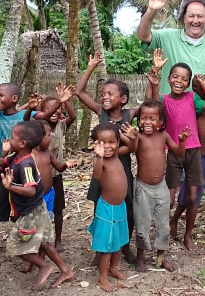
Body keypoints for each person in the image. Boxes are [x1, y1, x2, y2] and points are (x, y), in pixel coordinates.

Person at [0, 120, 75, 289]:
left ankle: (44, 265)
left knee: (15, 246)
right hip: (38, 207)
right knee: (45, 243)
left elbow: (31, 190)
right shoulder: (18, 156)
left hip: (30, 211)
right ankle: (65, 270)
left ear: (23, 143)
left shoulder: (26, 164)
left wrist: (11, 186)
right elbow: (4, 162)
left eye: (12, 137)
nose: (9, 140)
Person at [0, 83, 72, 254]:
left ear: (14, 98)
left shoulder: (28, 118)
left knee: (26, 209)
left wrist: (60, 102)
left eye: (0, 95)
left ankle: (30, 245)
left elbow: (44, 117)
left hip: (24, 169)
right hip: (5, 167)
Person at [146, 52, 205, 251]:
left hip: (194, 151)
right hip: (174, 152)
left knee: (194, 197)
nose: (179, 80)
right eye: (175, 77)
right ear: (169, 79)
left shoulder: (191, 97)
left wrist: (204, 85)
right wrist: (154, 80)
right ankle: (164, 231)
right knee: (169, 199)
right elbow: (149, 104)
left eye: (184, 78)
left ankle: (188, 235)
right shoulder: (163, 100)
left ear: (188, 83)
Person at [77, 51, 139, 263]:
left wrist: (121, 148)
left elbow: (152, 101)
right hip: (102, 172)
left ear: (123, 99)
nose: (104, 96)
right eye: (103, 93)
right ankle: (100, 249)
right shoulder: (100, 112)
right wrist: (91, 67)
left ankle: (124, 247)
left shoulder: (129, 115)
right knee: (99, 211)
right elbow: (79, 92)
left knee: (128, 210)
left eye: (110, 94)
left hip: (122, 173)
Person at [171, 44, 205, 242]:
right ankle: (176, 220)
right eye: (198, 84)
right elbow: (204, 83)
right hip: (198, 157)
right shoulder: (194, 102)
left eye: (204, 83)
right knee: (189, 197)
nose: (202, 84)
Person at [133, 99, 190, 272]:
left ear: (161, 122)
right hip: (143, 188)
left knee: (163, 225)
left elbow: (179, 154)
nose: (147, 122)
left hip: (161, 187)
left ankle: (160, 258)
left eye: (152, 118)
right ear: (139, 120)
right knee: (142, 224)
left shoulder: (163, 136)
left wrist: (181, 141)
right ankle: (140, 257)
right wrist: (133, 136)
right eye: (144, 118)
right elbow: (131, 148)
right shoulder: (139, 137)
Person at [89, 123, 138, 292]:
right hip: (107, 209)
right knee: (107, 246)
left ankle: (113, 268)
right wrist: (99, 156)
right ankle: (102, 278)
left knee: (118, 241)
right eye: (102, 143)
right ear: (95, 144)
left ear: (117, 143)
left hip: (120, 207)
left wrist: (132, 136)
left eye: (112, 142)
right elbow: (96, 175)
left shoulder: (117, 153)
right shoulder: (100, 160)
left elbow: (132, 147)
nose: (107, 146)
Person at [27, 91, 76, 252]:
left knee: (58, 209)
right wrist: (31, 108)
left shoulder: (61, 126)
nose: (55, 111)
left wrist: (65, 101)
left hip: (56, 175)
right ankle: (36, 242)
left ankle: (58, 239)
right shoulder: (39, 127)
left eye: (58, 108)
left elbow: (73, 116)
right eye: (50, 108)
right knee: (37, 210)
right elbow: (26, 121)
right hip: (41, 177)